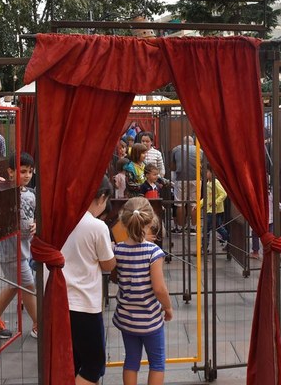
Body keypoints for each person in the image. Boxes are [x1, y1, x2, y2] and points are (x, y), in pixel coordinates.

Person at [112, 197, 173, 385]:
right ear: (149, 221)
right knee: (157, 363)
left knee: (131, 360)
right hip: (149, 319)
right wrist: (168, 307)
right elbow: (159, 288)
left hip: (126, 318)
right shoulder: (153, 252)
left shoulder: (118, 250)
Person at [62, 176, 116, 384]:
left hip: (59, 299)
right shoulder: (96, 226)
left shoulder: (61, 218)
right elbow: (108, 265)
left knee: (73, 359)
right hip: (84, 302)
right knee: (93, 364)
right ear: (102, 197)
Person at [0, 152, 38, 339]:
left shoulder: (30, 193)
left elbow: (34, 215)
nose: (27, 175)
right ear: (11, 172)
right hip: (10, 251)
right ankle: (39, 325)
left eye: (30, 171)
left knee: (14, 285)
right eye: (22, 171)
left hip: (23, 249)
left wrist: (36, 224)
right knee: (28, 286)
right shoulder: (4, 191)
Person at [170, 136, 203, 233]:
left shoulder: (176, 149)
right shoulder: (199, 150)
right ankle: (194, 228)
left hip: (181, 179)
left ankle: (180, 228)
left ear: (183, 142)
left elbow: (172, 167)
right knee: (194, 203)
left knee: (180, 204)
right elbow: (202, 165)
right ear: (192, 143)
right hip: (196, 179)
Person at [250, 184, 281, 260]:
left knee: (256, 234)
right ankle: (278, 251)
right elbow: (277, 204)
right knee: (271, 237)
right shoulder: (270, 194)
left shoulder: (258, 195)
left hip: (261, 221)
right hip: (270, 220)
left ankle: (256, 252)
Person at [202, 164, 229, 252]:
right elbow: (206, 198)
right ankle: (228, 239)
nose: (204, 174)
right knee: (217, 227)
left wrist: (215, 202)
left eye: (206, 172)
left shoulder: (216, 182)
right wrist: (198, 204)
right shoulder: (208, 183)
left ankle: (204, 248)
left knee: (206, 229)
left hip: (215, 210)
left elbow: (224, 194)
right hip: (210, 210)